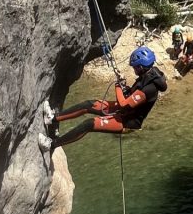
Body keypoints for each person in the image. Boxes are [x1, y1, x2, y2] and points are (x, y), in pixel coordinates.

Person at [40, 47, 168, 150]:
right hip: (123, 111)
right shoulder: (148, 76)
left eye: (134, 67)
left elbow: (123, 104)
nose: (133, 69)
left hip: (127, 122)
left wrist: (118, 85)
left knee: (88, 124)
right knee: (89, 104)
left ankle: (51, 145)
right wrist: (123, 84)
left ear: (141, 67)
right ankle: (53, 118)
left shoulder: (150, 88)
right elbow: (132, 94)